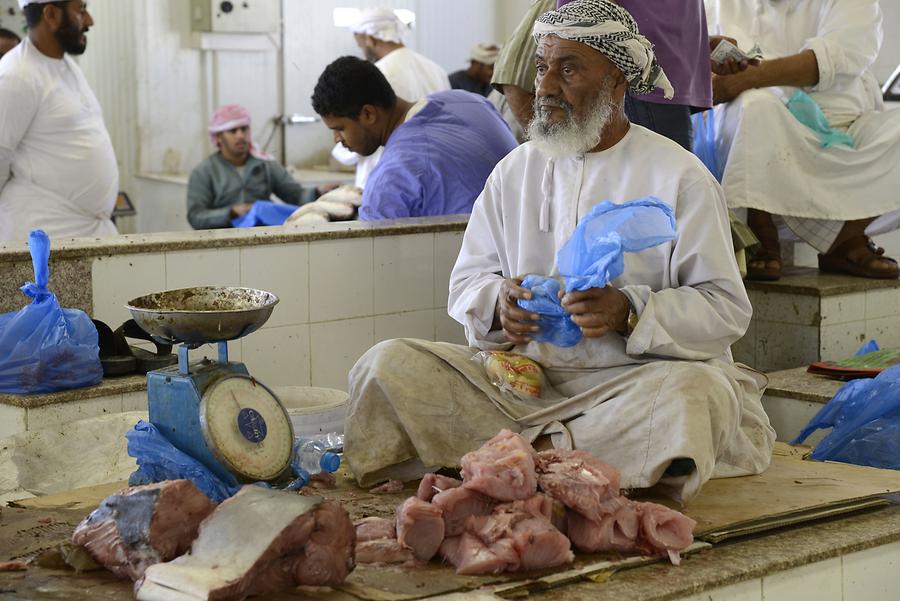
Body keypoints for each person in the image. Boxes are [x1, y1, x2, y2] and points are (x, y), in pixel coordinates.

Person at [342, 0, 774, 504]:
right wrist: (498, 305)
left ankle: (509, 462)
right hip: (518, 387)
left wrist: (629, 312)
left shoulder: (679, 176)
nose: (544, 87)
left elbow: (725, 309)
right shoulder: (514, 172)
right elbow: (466, 284)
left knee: (697, 395)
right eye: (543, 67)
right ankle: (563, 463)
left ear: (618, 82)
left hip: (632, 385)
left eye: (568, 69)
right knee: (386, 363)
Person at [707, 0, 900, 281]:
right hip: (769, 121)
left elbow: (833, 58)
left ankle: (846, 239)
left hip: (849, 123)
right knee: (755, 107)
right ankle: (760, 231)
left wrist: (747, 78)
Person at [312, 56, 517, 221]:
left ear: (368, 114)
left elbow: (376, 261)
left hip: (483, 267)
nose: (336, 139)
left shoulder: (391, 178)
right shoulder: (469, 101)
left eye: (339, 129)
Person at [0, 0, 118, 243]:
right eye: (81, 10)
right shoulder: (16, 76)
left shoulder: (66, 66)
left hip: (86, 231)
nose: (89, 21)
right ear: (51, 14)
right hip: (44, 235)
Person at [335, 7, 452, 190]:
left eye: (360, 44)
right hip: (435, 177)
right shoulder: (435, 69)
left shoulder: (375, 75)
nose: (361, 49)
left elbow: (356, 140)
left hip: (384, 180)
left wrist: (341, 148)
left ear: (370, 39)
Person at [186, 104, 316, 230]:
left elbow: (296, 196)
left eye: (244, 129)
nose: (241, 135)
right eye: (233, 131)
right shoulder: (204, 172)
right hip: (222, 243)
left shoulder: (265, 164)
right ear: (218, 137)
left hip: (261, 239)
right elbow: (196, 217)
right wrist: (231, 213)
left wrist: (318, 192)